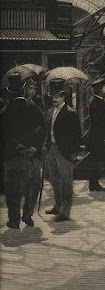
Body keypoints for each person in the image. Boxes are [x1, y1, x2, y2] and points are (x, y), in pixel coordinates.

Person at [1, 73, 45, 229]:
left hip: (12, 158)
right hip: (31, 157)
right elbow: (42, 127)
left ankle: (14, 221)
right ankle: (27, 215)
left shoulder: (4, 112)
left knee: (12, 192)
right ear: (23, 89)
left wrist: (16, 146)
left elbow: (3, 136)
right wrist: (33, 146)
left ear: (9, 91)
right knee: (32, 188)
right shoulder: (32, 107)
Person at [44, 79, 81, 222]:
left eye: (58, 96)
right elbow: (47, 131)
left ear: (63, 97)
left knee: (66, 181)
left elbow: (76, 136)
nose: (54, 99)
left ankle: (65, 211)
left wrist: (73, 153)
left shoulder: (70, 113)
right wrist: (45, 144)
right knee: (54, 179)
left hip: (64, 151)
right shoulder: (49, 112)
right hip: (50, 149)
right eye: (52, 96)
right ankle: (57, 205)